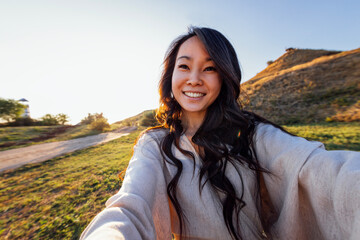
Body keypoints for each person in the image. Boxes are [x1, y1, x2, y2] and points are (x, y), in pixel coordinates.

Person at [80, 27, 360, 240]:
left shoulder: (251, 134)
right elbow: (130, 204)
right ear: (171, 77)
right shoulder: (155, 144)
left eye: (210, 68)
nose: (194, 78)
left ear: (225, 76)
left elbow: (316, 167)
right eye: (185, 66)